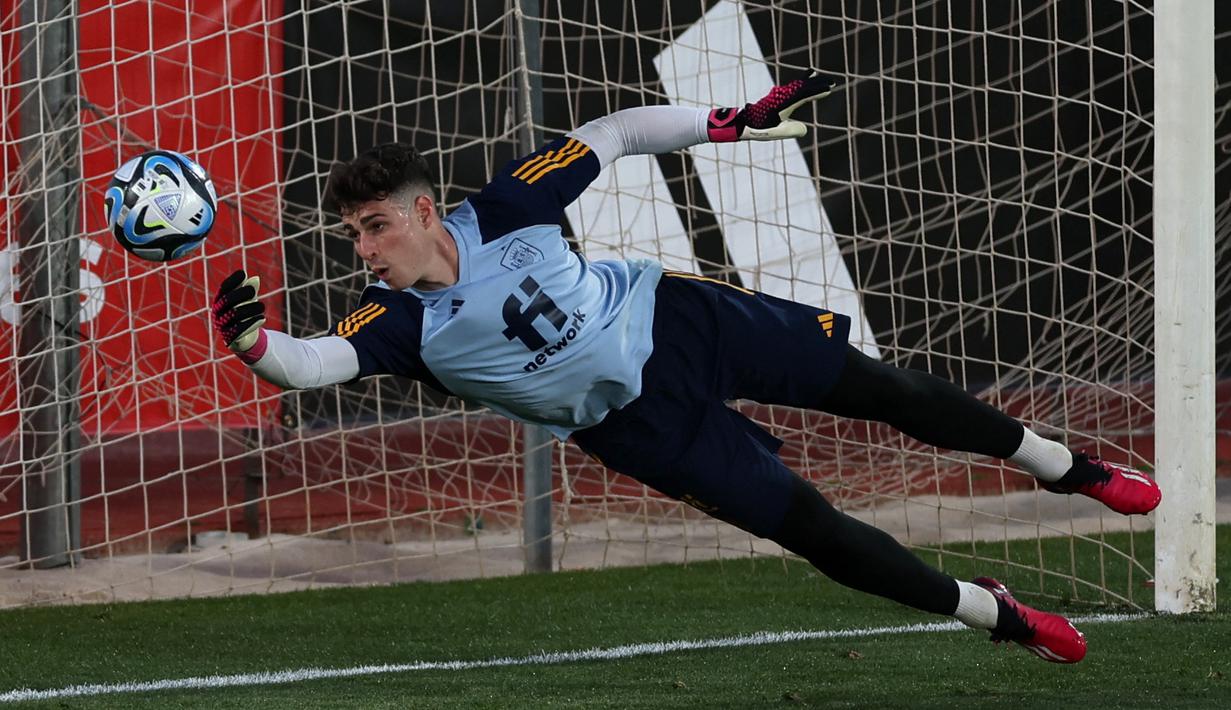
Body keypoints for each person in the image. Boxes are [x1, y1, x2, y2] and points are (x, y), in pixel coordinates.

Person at [210, 74, 1161, 664]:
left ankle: (1067, 469)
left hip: (679, 321)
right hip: (635, 424)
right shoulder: (394, 322)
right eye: (352, 235)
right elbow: (307, 365)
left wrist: (726, 120)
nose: (364, 250)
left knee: (889, 390)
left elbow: (615, 133)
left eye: (374, 227)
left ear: (423, 213)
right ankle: (992, 616)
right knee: (814, 531)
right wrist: (252, 342)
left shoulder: (506, 206)